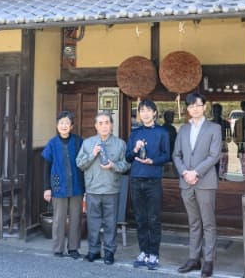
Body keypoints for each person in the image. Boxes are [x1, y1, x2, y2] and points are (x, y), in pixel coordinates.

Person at [172, 93, 222, 278]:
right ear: (187, 109)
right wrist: (185, 172)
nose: (195, 108)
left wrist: (196, 172)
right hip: (186, 182)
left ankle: (208, 260)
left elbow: (214, 155)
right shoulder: (183, 129)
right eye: (191, 106)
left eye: (198, 105)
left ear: (204, 107)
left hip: (205, 182)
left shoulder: (214, 128)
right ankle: (194, 258)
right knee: (193, 223)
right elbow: (176, 155)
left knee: (208, 223)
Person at [76, 112, 130, 265]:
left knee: (110, 222)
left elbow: (126, 165)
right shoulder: (88, 143)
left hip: (111, 189)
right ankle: (93, 250)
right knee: (93, 222)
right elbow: (80, 164)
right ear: (95, 126)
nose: (104, 126)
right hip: (93, 188)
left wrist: (113, 165)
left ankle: (109, 252)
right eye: (100, 123)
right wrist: (92, 154)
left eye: (107, 122)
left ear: (112, 125)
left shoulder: (120, 144)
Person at [126, 99, 171, 270]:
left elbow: (167, 156)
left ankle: (154, 254)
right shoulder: (135, 133)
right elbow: (128, 157)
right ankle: (143, 251)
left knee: (154, 218)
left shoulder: (162, 132)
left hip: (153, 180)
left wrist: (153, 161)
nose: (144, 113)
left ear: (154, 112)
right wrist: (135, 149)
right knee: (140, 218)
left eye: (148, 110)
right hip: (136, 179)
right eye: (141, 110)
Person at [42, 111, 85, 259]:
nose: (64, 125)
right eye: (61, 123)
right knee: (59, 219)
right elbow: (46, 166)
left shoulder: (79, 141)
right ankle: (58, 248)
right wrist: (47, 188)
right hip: (58, 185)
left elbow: (84, 163)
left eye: (67, 123)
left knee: (76, 218)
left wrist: (86, 187)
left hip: (77, 185)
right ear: (57, 125)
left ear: (72, 126)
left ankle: (73, 248)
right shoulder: (52, 143)